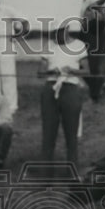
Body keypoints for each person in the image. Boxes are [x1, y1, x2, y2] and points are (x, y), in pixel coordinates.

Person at [40, 28, 87, 166]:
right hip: (50, 88)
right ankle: (45, 177)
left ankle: (72, 175)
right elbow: (39, 72)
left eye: (60, 31)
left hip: (71, 88)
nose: (57, 35)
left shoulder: (79, 45)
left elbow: (87, 70)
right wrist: (50, 71)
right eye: (55, 32)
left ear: (67, 30)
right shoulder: (49, 45)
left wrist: (72, 70)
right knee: (48, 135)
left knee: (71, 136)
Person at [77, 0, 105, 102]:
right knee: (81, 63)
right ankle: (98, 86)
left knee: (92, 65)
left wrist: (94, 21)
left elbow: (102, 15)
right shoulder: (86, 0)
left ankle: (96, 93)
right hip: (86, 33)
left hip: (93, 34)